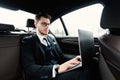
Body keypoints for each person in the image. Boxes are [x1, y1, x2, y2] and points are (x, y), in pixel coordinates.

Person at [20, 12, 90, 80]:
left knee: (87, 66)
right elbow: (30, 68)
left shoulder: (51, 38)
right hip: (45, 75)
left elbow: (61, 56)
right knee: (82, 74)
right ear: (36, 24)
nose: (47, 27)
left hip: (59, 70)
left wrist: (74, 59)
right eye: (44, 24)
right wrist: (57, 69)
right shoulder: (28, 41)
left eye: (48, 24)